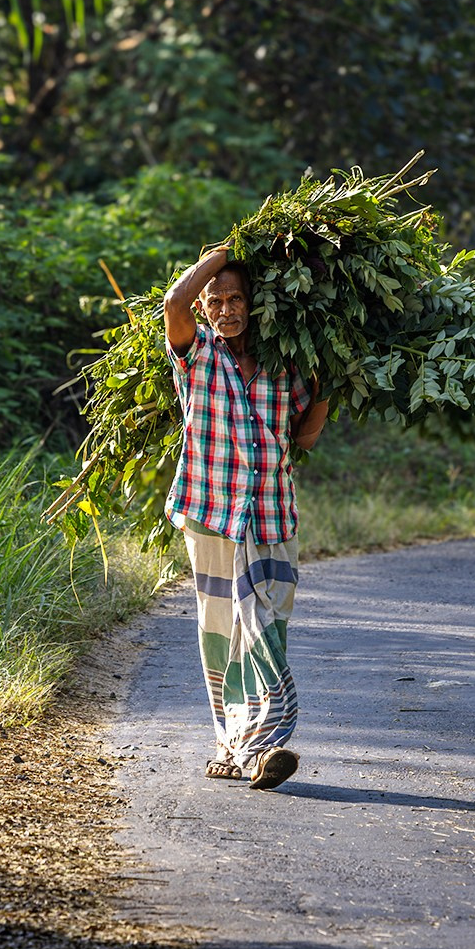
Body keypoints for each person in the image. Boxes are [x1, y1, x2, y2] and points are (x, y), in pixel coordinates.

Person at [161, 242, 329, 791]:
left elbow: (305, 437)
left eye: (236, 299)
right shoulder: (196, 356)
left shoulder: (285, 364)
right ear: (204, 308)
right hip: (211, 512)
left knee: (266, 628)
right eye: (216, 301)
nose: (226, 310)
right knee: (220, 631)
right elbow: (174, 302)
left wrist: (329, 382)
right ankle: (240, 746)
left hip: (272, 516)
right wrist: (225, 254)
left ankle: (258, 745)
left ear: (255, 304)